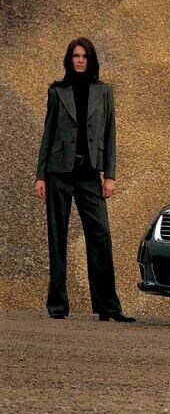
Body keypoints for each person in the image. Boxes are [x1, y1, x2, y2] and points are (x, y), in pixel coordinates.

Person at [34, 37, 134, 322]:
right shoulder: (57, 91)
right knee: (58, 236)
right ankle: (57, 305)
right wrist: (40, 175)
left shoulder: (104, 92)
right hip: (59, 172)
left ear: (91, 60)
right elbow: (48, 133)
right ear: (69, 59)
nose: (80, 60)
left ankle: (108, 306)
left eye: (84, 56)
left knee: (100, 235)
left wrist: (110, 175)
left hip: (90, 173)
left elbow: (110, 133)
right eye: (75, 56)